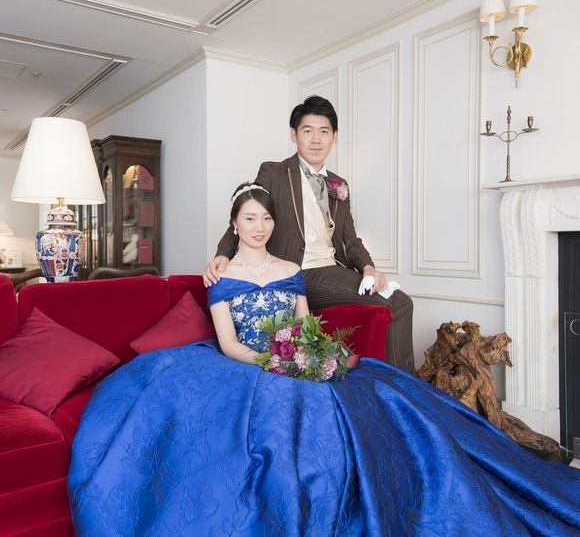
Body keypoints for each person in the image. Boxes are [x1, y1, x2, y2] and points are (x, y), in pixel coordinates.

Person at [69, 183, 580, 536]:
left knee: (382, 393)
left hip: (298, 353)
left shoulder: (289, 269)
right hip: (245, 363)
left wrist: (310, 353)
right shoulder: (220, 276)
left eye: (266, 218)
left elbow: (305, 324)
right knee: (283, 416)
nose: (259, 226)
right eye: (250, 218)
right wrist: (275, 363)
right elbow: (228, 345)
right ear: (234, 224)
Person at [204, 95, 415, 373]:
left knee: (398, 302)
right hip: (297, 272)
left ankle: (395, 385)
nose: (316, 139)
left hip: (332, 269)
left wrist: (368, 268)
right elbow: (248, 211)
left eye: (324, 131)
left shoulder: (339, 184)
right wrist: (222, 255)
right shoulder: (274, 172)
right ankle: (402, 388)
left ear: (334, 137)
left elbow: (350, 240)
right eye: (307, 131)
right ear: (294, 135)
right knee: (400, 303)